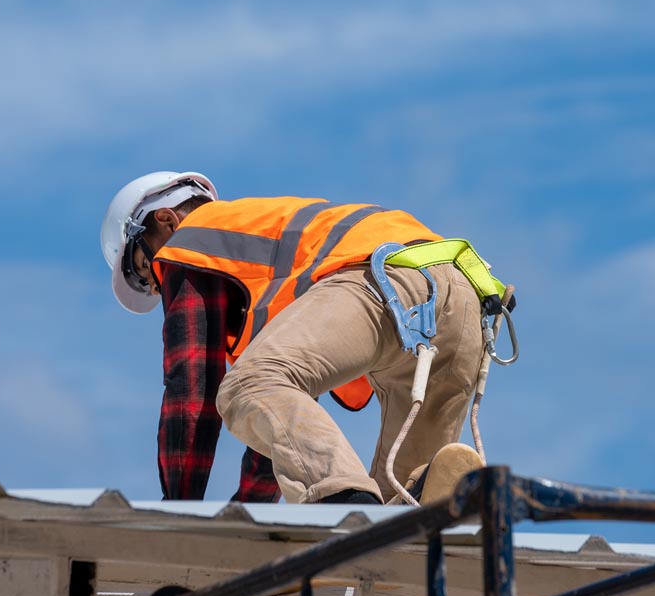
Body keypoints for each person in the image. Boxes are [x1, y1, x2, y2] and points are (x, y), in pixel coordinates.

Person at [100, 171, 498, 504]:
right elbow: (279, 441)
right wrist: (244, 530)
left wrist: (178, 518)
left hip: (386, 281)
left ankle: (344, 505)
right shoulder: (266, 273)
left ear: (167, 220)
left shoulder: (193, 240)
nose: (154, 285)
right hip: (465, 301)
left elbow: (191, 393)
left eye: (141, 267)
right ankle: (422, 512)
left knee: (248, 388)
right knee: (400, 506)